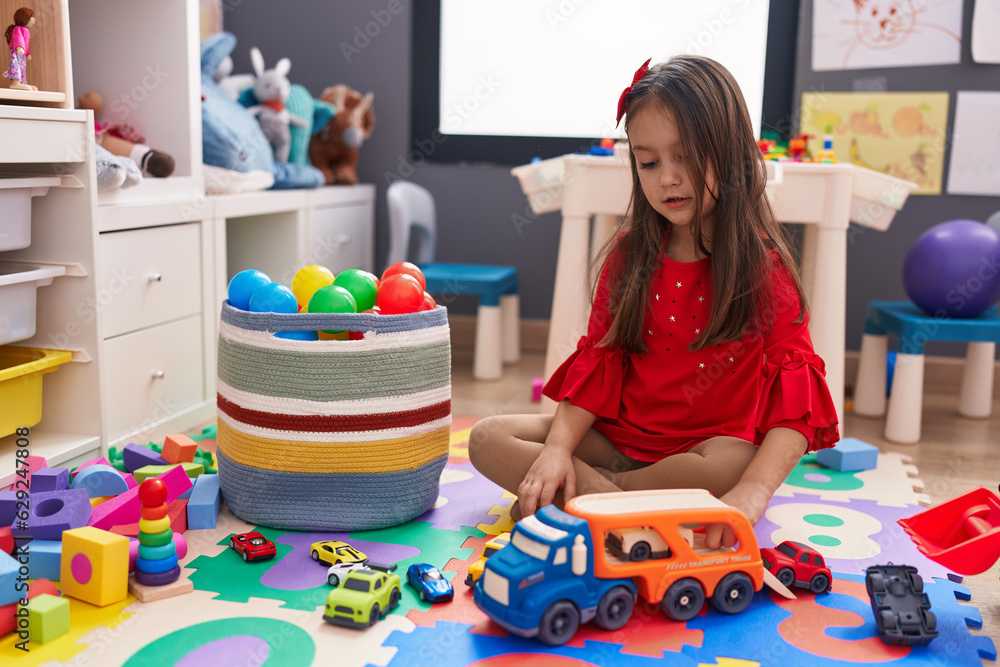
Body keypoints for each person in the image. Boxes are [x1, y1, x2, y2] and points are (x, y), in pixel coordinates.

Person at [468, 55, 840, 549]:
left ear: (730, 155)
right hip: (616, 439)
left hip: (704, 452)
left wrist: (751, 493)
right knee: (487, 438)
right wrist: (558, 450)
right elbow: (599, 361)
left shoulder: (761, 270)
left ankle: (583, 502)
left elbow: (795, 405)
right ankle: (619, 506)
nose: (667, 178)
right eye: (649, 162)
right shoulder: (628, 258)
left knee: (739, 463)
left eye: (686, 157)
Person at [4, 7, 35, 91]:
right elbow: (18, 39)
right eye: (31, 17)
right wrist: (19, 47)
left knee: (22, 67)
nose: (33, 20)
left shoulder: (26, 30)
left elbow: (26, 44)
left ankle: (21, 82)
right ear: (24, 18)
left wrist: (27, 53)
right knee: (16, 66)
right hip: (17, 51)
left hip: (22, 53)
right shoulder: (17, 29)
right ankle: (16, 83)